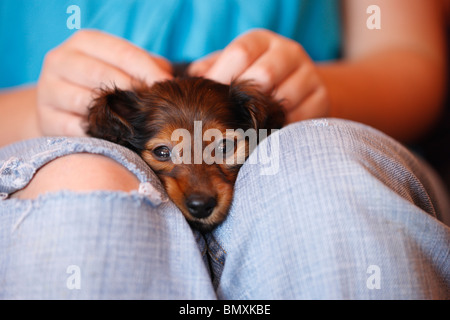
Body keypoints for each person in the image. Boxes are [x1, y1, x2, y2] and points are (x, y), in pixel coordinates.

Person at [0, 0, 449, 299]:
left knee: (323, 178)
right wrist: (36, 110)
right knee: (82, 189)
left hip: (310, 127)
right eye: (165, 153)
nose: (198, 188)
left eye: (220, 149)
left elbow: (411, 57)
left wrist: (319, 93)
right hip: (51, 134)